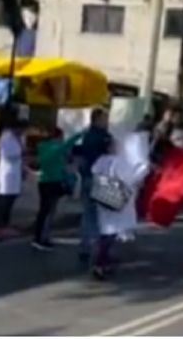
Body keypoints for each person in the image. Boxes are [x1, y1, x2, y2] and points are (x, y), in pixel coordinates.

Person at [89, 131, 151, 280]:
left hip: (101, 193)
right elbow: (127, 178)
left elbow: (94, 172)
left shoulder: (101, 160)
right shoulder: (117, 161)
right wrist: (142, 172)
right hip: (114, 195)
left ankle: (103, 260)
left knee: (105, 229)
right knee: (111, 232)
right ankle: (100, 263)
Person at [32, 127, 83, 250]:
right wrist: (81, 133)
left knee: (46, 210)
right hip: (52, 181)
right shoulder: (55, 149)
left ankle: (42, 236)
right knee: (47, 211)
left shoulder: (43, 147)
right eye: (61, 137)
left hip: (45, 181)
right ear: (57, 137)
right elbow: (68, 144)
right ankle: (40, 238)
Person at [75, 108, 113, 265]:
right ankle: (99, 250)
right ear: (97, 119)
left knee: (88, 214)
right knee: (104, 215)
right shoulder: (104, 137)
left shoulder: (86, 136)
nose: (107, 121)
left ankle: (85, 247)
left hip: (87, 178)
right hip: (101, 178)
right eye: (104, 118)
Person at [0, 117, 27, 238]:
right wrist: (21, 152)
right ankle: (0, 226)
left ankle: (6, 225)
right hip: (7, 173)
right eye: (22, 129)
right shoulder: (6, 137)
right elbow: (7, 154)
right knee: (4, 200)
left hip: (14, 172)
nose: (23, 132)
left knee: (11, 199)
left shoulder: (17, 138)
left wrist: (23, 167)